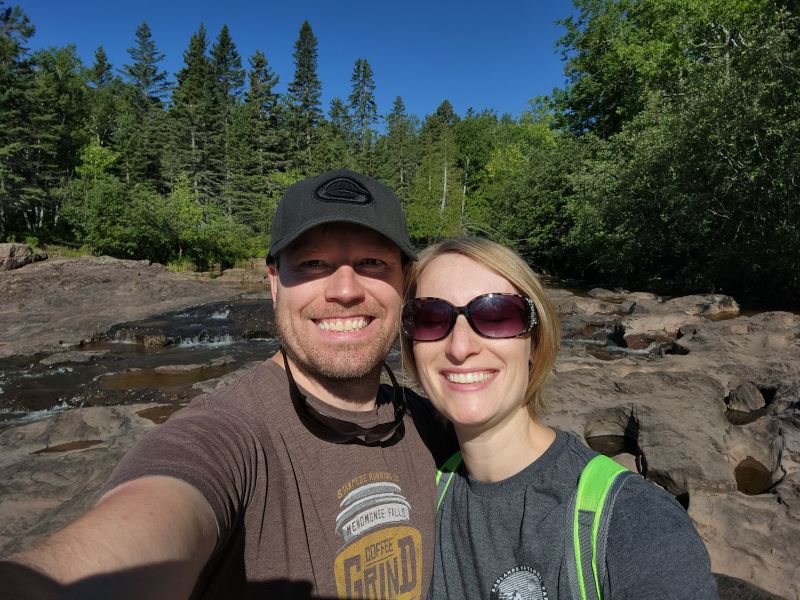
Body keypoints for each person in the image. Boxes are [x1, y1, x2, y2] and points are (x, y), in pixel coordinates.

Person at [1, 170, 453, 600]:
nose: (345, 290)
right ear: (275, 283)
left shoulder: (433, 424)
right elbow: (142, 525)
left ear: (404, 282)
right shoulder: (225, 437)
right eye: (313, 263)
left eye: (372, 261)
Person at [400, 237, 719, 600]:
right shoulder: (422, 494)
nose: (460, 347)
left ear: (535, 342)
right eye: (429, 318)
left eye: (496, 315)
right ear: (411, 345)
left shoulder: (634, 522)